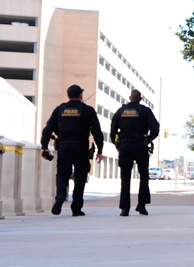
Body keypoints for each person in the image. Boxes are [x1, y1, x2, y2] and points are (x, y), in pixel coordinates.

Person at [40, 85, 104, 216]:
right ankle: (76, 208)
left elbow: (47, 129)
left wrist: (44, 147)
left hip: (64, 147)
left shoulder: (59, 110)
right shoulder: (88, 110)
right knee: (80, 177)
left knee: (62, 174)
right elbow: (97, 132)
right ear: (81, 95)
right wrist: (100, 150)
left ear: (68, 95)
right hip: (81, 147)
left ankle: (61, 195)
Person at [110, 89, 160, 216]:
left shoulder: (121, 111)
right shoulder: (145, 111)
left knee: (125, 178)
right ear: (140, 98)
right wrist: (149, 139)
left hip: (125, 146)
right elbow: (155, 128)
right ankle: (142, 205)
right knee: (143, 176)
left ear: (129, 98)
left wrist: (117, 144)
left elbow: (113, 130)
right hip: (140, 146)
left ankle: (124, 209)